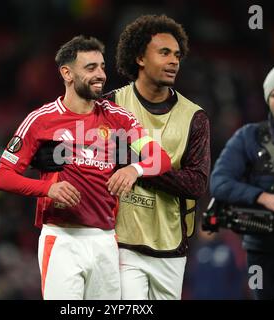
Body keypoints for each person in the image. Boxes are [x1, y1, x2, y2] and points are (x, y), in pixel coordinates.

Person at [33, 15, 211, 300]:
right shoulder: (109, 105)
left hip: (171, 246)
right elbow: (76, 151)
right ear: (140, 57)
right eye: (164, 53)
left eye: (177, 54)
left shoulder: (195, 117)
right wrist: (45, 157)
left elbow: (197, 184)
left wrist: (135, 169)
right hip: (120, 241)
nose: (174, 61)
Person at [0, 35, 172, 300]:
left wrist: (135, 170)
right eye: (90, 68)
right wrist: (47, 189)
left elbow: (161, 159)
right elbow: (3, 177)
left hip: (106, 240)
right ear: (67, 73)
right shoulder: (41, 120)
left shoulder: (119, 118)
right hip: (62, 239)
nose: (100, 74)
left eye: (101, 67)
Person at [210, 66, 274, 299]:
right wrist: (262, 197)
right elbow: (219, 182)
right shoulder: (249, 137)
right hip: (259, 250)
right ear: (267, 98)